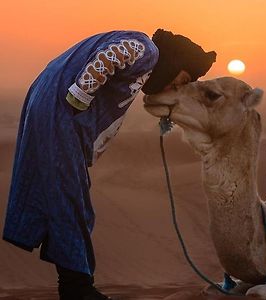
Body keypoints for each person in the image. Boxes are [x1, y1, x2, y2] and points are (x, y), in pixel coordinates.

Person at [2, 29, 216, 300]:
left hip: (49, 106)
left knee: (65, 197)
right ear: (173, 62)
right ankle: (77, 289)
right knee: (72, 201)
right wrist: (81, 94)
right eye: (181, 79)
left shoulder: (144, 65)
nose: (175, 86)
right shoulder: (147, 50)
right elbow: (112, 55)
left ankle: (75, 284)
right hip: (61, 115)